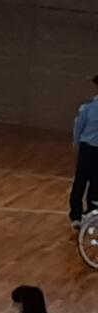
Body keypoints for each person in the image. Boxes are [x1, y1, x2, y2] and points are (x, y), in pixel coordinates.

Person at [68, 76, 98, 229]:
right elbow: (78, 126)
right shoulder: (88, 108)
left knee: (95, 183)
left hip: (92, 149)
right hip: (88, 148)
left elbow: (78, 127)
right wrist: (77, 143)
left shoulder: (88, 107)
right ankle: (77, 215)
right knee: (82, 181)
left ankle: (90, 215)